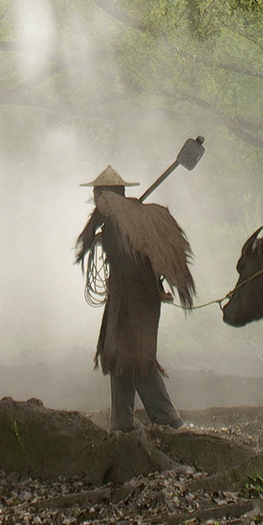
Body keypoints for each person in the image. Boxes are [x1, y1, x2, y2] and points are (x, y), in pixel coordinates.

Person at [74, 164, 196, 432]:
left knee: (139, 361)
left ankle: (172, 425)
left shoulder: (123, 225)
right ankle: (122, 426)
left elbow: (138, 264)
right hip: (123, 303)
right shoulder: (118, 222)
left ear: (107, 195)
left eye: (98, 193)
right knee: (118, 359)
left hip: (134, 306)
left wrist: (153, 289)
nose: (95, 198)